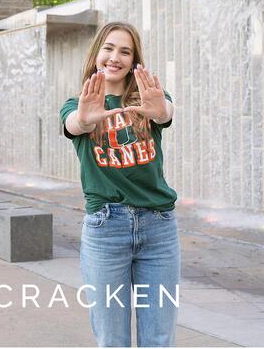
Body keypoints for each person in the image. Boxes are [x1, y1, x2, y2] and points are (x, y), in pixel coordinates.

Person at [59, 21, 180, 347]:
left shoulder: (149, 99)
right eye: (109, 48)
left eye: (125, 51)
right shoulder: (76, 104)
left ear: (134, 60)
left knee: (159, 338)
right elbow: (74, 123)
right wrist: (85, 118)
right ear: (96, 54)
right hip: (105, 229)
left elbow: (164, 112)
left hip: (159, 228)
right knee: (112, 339)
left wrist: (162, 110)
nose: (115, 57)